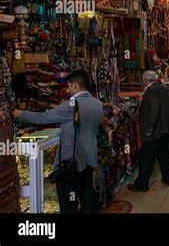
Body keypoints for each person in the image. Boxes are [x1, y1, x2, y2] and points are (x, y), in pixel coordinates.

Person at [13, 70, 103, 213]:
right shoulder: (97, 103)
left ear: (75, 85)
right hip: (89, 158)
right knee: (87, 196)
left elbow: (41, 118)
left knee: (68, 204)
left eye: (68, 86)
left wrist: (19, 114)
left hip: (72, 164)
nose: (67, 90)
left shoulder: (71, 105)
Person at [128, 71, 169, 192]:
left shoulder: (150, 91)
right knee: (166, 156)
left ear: (145, 81)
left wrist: (150, 127)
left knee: (146, 158)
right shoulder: (167, 90)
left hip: (154, 132)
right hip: (166, 130)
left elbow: (155, 107)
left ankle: (141, 184)